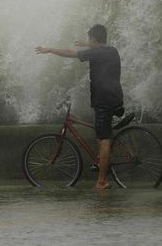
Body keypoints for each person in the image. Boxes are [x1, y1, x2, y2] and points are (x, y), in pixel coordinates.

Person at [35, 24, 124, 190]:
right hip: (116, 99)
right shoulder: (112, 51)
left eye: (90, 40)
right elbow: (97, 47)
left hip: (104, 101)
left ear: (95, 40)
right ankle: (102, 163)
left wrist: (50, 50)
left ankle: (102, 182)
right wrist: (86, 43)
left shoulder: (95, 53)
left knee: (103, 141)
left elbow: (70, 53)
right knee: (103, 135)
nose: (88, 42)